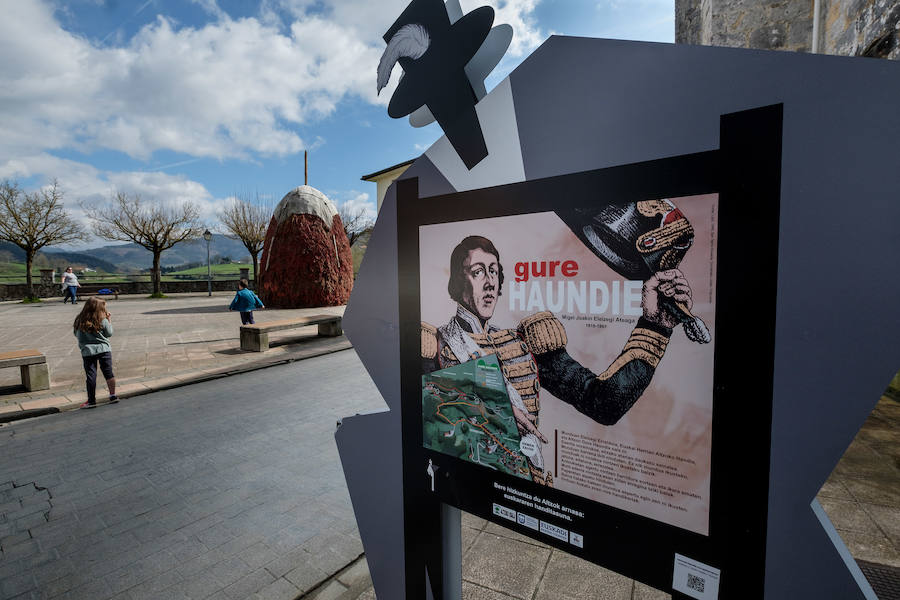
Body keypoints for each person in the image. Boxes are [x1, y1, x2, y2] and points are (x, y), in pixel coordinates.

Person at [421, 235, 693, 485]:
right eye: (478, 271)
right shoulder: (434, 345)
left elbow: (605, 403)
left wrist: (655, 325)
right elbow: (425, 425)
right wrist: (495, 411)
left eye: (493, 271)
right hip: (464, 482)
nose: (490, 281)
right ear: (458, 281)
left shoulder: (525, 341)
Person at [73, 297, 117, 409]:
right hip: (104, 349)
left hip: (87, 351)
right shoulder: (102, 319)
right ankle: (112, 395)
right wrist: (109, 320)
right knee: (108, 373)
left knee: (91, 375)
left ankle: (91, 400)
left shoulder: (79, 320)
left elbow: (76, 334)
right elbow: (109, 333)